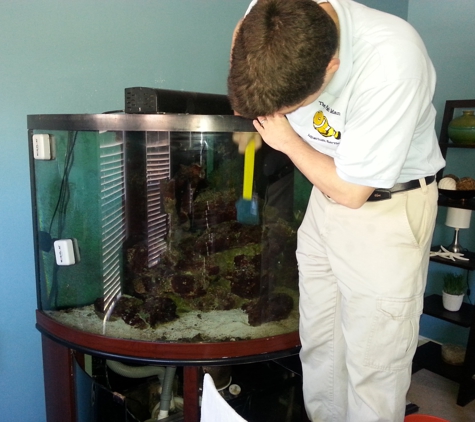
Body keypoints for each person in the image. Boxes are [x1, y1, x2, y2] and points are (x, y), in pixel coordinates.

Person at [228, 1, 446, 421]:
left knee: (373, 362)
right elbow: (242, 32)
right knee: (321, 343)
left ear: (332, 66)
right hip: (322, 200)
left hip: (386, 208)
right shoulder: (272, 11)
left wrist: (287, 138)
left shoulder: (391, 60)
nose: (281, 115)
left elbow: (351, 191)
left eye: (290, 107)